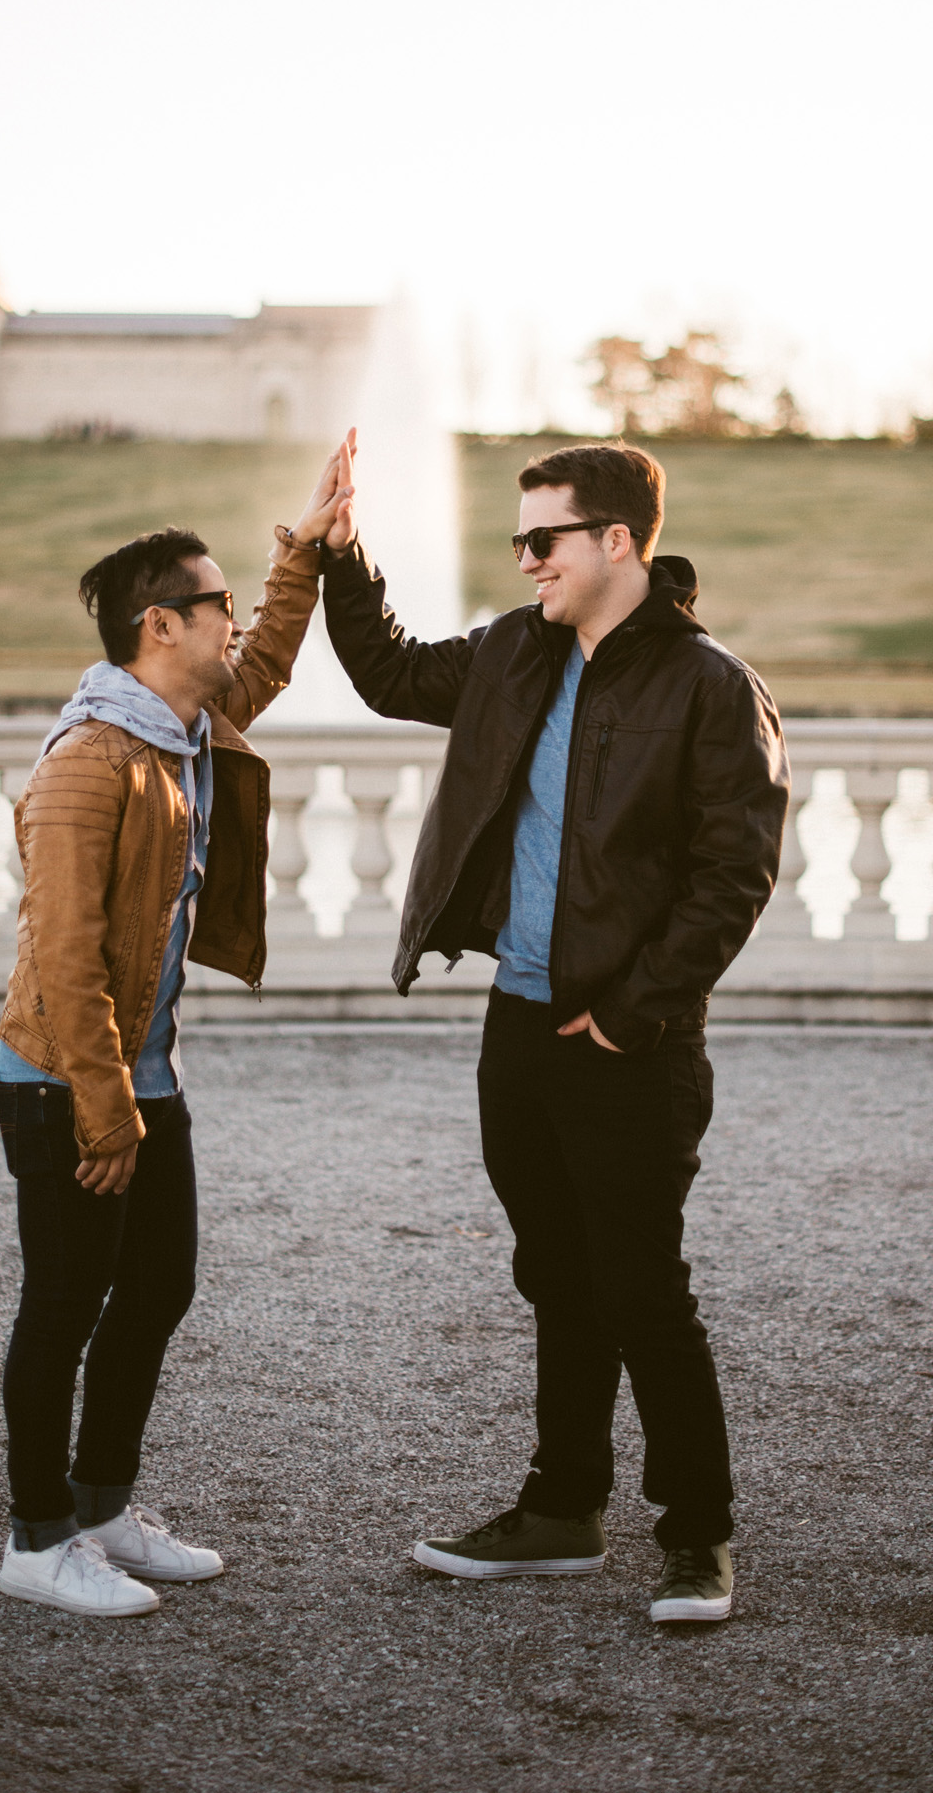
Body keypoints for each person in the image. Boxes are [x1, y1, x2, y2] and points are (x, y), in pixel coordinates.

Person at [320, 434, 788, 1623]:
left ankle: (696, 1534)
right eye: (517, 538)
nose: (523, 559)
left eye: (543, 538)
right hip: (515, 1026)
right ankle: (562, 1509)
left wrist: (631, 1011)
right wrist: (340, 555)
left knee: (639, 1286)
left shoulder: (707, 685)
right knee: (556, 1276)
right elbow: (383, 673)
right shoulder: (512, 654)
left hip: (628, 1043)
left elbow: (732, 875)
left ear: (615, 540)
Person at [0, 445, 353, 1616]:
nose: (232, 624)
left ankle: (101, 1508)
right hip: (62, 1076)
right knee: (64, 1301)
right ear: (159, 626)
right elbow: (63, 961)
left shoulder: (185, 723)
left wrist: (303, 542)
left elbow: (271, 661)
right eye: (216, 607)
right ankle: (35, 1536)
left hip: (145, 1074)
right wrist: (105, 1111)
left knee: (156, 1290)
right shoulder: (88, 766)